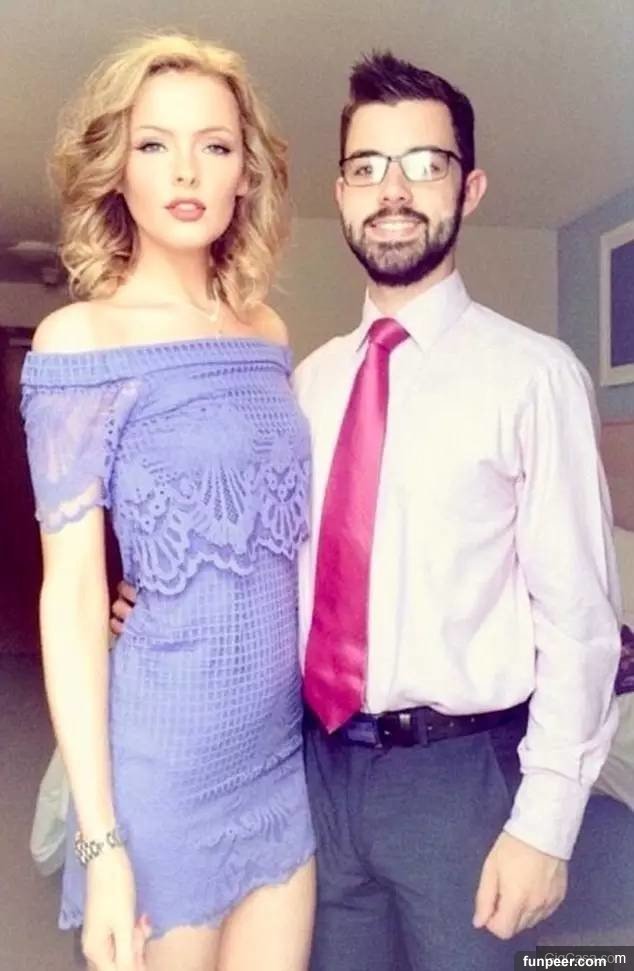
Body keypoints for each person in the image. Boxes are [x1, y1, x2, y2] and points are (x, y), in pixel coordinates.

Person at [112, 51, 622, 971]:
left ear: (468, 189)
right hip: (312, 770)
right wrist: (164, 604)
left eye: (424, 164)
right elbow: (274, 560)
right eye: (368, 166)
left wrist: (546, 824)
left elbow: (581, 621)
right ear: (342, 193)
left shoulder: (533, 377)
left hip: (456, 782)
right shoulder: (304, 384)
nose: (393, 190)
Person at [22, 33, 315, 971]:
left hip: (278, 757)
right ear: (119, 169)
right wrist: (103, 843)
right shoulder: (79, 342)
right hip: (165, 770)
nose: (186, 170)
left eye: (214, 145)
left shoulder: (268, 333)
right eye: (154, 144)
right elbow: (72, 593)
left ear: (245, 173)